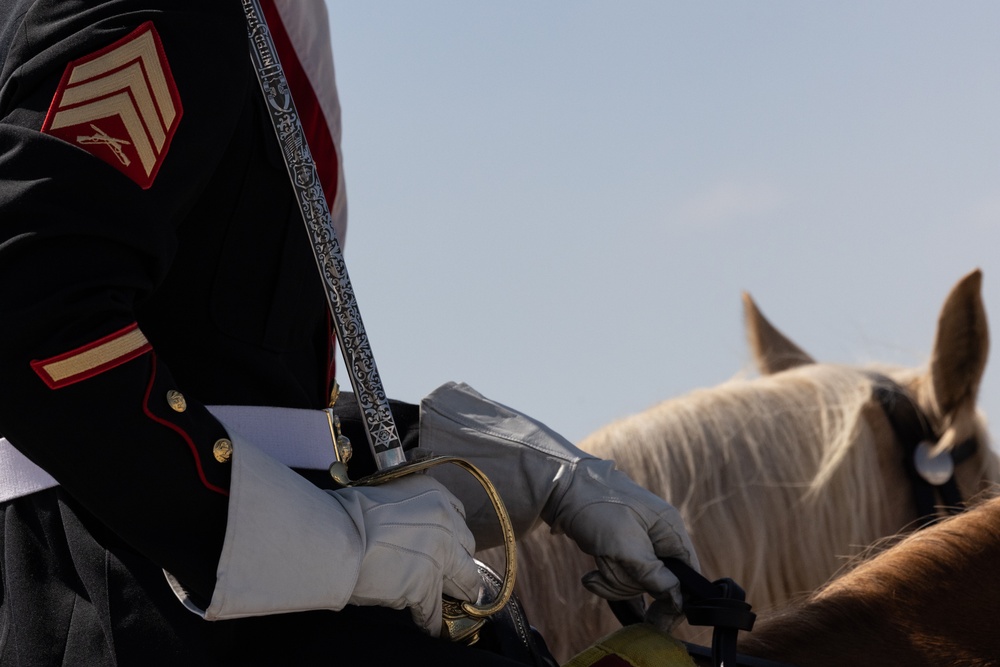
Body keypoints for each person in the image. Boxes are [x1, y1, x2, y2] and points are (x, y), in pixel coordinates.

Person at [0, 2, 699, 665]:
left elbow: (216, 369)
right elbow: (30, 313)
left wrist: (502, 467)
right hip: (145, 608)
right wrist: (324, 543)